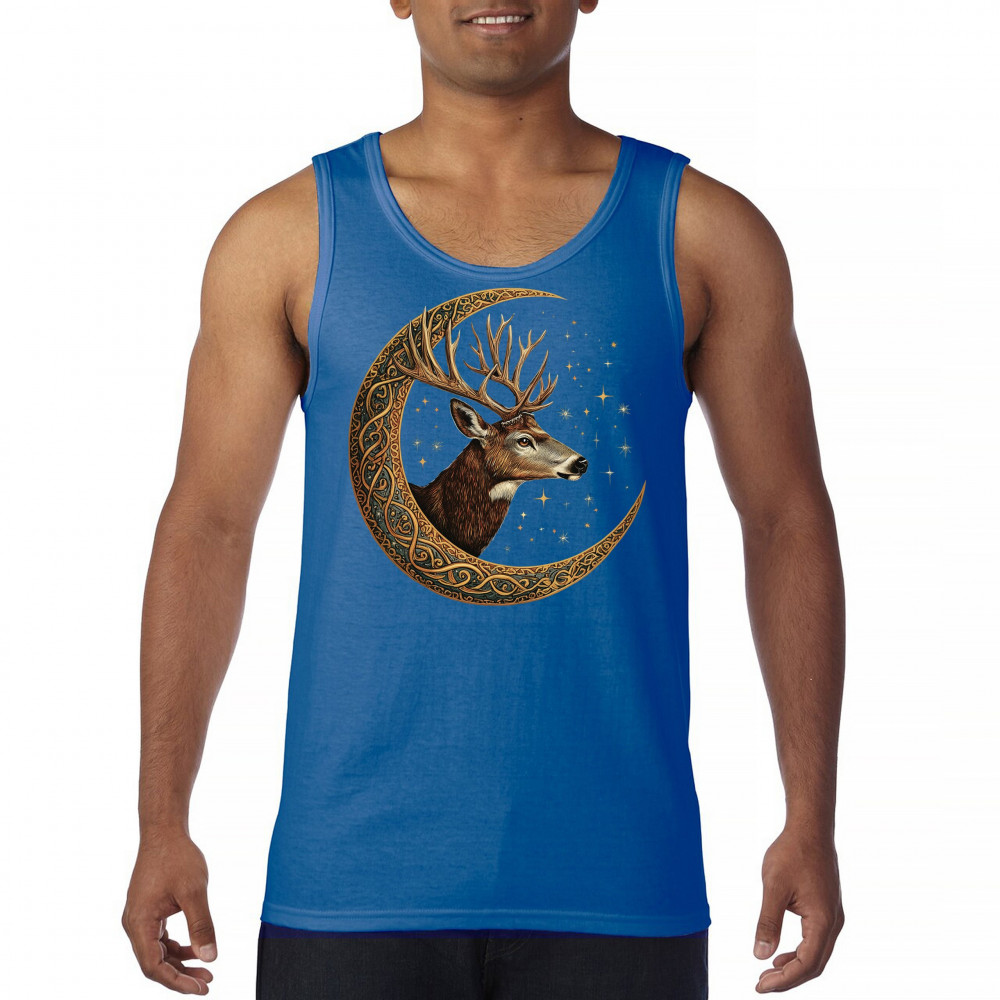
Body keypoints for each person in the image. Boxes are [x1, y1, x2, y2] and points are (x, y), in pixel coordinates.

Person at [121, 1, 846, 997]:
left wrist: (811, 817)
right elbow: (208, 526)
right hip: (351, 884)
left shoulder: (704, 235)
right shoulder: (285, 237)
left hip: (620, 881)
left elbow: (785, 520)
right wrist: (161, 820)